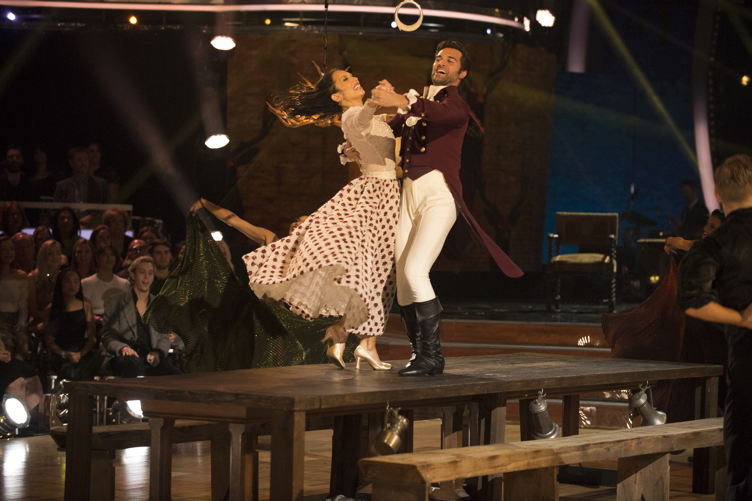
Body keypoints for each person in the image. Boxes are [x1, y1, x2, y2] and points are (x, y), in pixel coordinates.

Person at [366, 40, 523, 376]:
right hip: (409, 195)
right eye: (438, 58)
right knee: (403, 279)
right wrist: (361, 136)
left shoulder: (456, 106)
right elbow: (387, 130)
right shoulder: (418, 106)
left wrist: (402, 100)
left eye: (451, 60)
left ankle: (433, 356)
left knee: (415, 270)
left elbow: (439, 114)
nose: (441, 62)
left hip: (438, 196)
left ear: (461, 73)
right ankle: (419, 353)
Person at [240, 67, 401, 371]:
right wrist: (377, 102)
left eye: (351, 75)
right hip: (376, 196)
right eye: (345, 80)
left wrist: (393, 104)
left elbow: (378, 131)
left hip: (384, 195)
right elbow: (362, 119)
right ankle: (355, 339)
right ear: (336, 96)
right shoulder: (353, 115)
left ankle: (353, 339)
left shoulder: (365, 117)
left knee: (379, 271)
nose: (354, 79)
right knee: (370, 269)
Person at [603, 210, 727, 421]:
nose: (706, 230)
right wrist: (678, 248)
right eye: (707, 224)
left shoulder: (731, 255)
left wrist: (682, 243)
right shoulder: (710, 252)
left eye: (713, 227)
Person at [679, 154, 752, 500]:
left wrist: (739, 318)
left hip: (746, 363)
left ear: (719, 195)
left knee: (744, 455)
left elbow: (693, 300)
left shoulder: (716, 243)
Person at [101, 256, 180, 377]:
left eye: (150, 273)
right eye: (142, 272)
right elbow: (108, 335)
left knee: (174, 374)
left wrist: (157, 353)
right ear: (133, 275)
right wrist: (123, 348)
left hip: (150, 358)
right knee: (131, 366)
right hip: (125, 357)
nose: (146, 277)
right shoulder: (116, 301)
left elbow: (164, 336)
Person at [44, 268, 101, 381]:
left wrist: (81, 353)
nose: (72, 285)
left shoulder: (86, 305)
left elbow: (92, 337)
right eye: (68, 281)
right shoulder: (51, 308)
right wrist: (64, 354)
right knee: (68, 370)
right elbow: (49, 339)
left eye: (76, 281)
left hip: (81, 350)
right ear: (61, 284)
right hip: (60, 352)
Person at [0, 236, 29, 357]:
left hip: (15, 321)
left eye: (11, 249)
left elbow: (23, 305)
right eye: (4, 249)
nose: (9, 252)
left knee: (23, 344)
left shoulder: (20, 276)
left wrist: (21, 324)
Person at [81, 245, 129, 318]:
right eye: (105, 255)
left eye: (112, 255)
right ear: (97, 259)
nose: (109, 258)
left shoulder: (124, 283)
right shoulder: (86, 283)